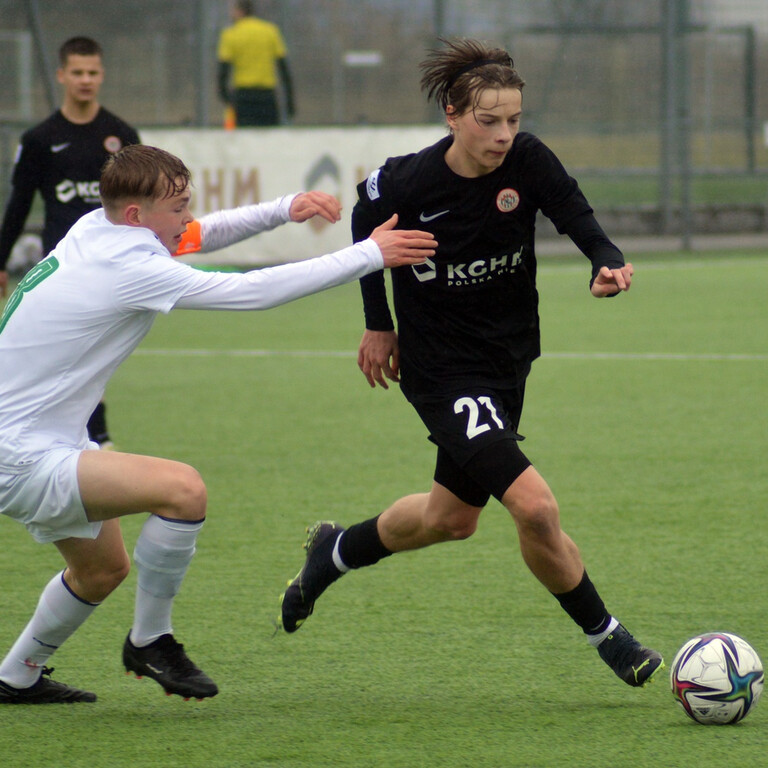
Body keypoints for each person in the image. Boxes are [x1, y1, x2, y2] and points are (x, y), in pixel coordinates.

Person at [279, 38, 664, 689]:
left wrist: (604, 258)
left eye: (513, 119)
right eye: (489, 121)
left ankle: (333, 552)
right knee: (535, 508)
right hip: (441, 370)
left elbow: (574, 212)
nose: (503, 134)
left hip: (507, 360)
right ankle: (611, 638)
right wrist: (379, 322)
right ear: (453, 116)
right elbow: (366, 219)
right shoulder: (409, 180)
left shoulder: (529, 161)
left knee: (449, 519)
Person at [0, 144, 437, 704]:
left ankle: (15, 677)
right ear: (137, 214)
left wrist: (283, 208)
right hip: (24, 452)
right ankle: (150, 640)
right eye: (178, 206)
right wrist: (368, 254)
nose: (187, 216)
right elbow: (250, 293)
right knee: (183, 491)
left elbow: (201, 234)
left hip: (36, 438)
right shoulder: (131, 266)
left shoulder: (99, 226)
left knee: (101, 570)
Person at [0, 36, 141, 449]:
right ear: (62, 75)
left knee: (97, 351)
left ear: (102, 75)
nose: (85, 80)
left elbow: (144, 202)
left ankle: (89, 435)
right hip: (62, 271)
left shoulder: (120, 134)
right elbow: (18, 205)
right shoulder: (40, 139)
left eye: (93, 72)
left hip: (112, 266)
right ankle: (92, 436)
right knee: (69, 353)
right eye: (77, 72)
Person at [217, 0, 295, 127]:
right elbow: (284, 70)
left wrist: (227, 99)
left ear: (239, 11)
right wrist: (290, 101)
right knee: (269, 140)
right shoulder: (270, 31)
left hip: (243, 98)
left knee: (244, 141)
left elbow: (223, 73)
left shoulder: (230, 34)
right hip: (266, 97)